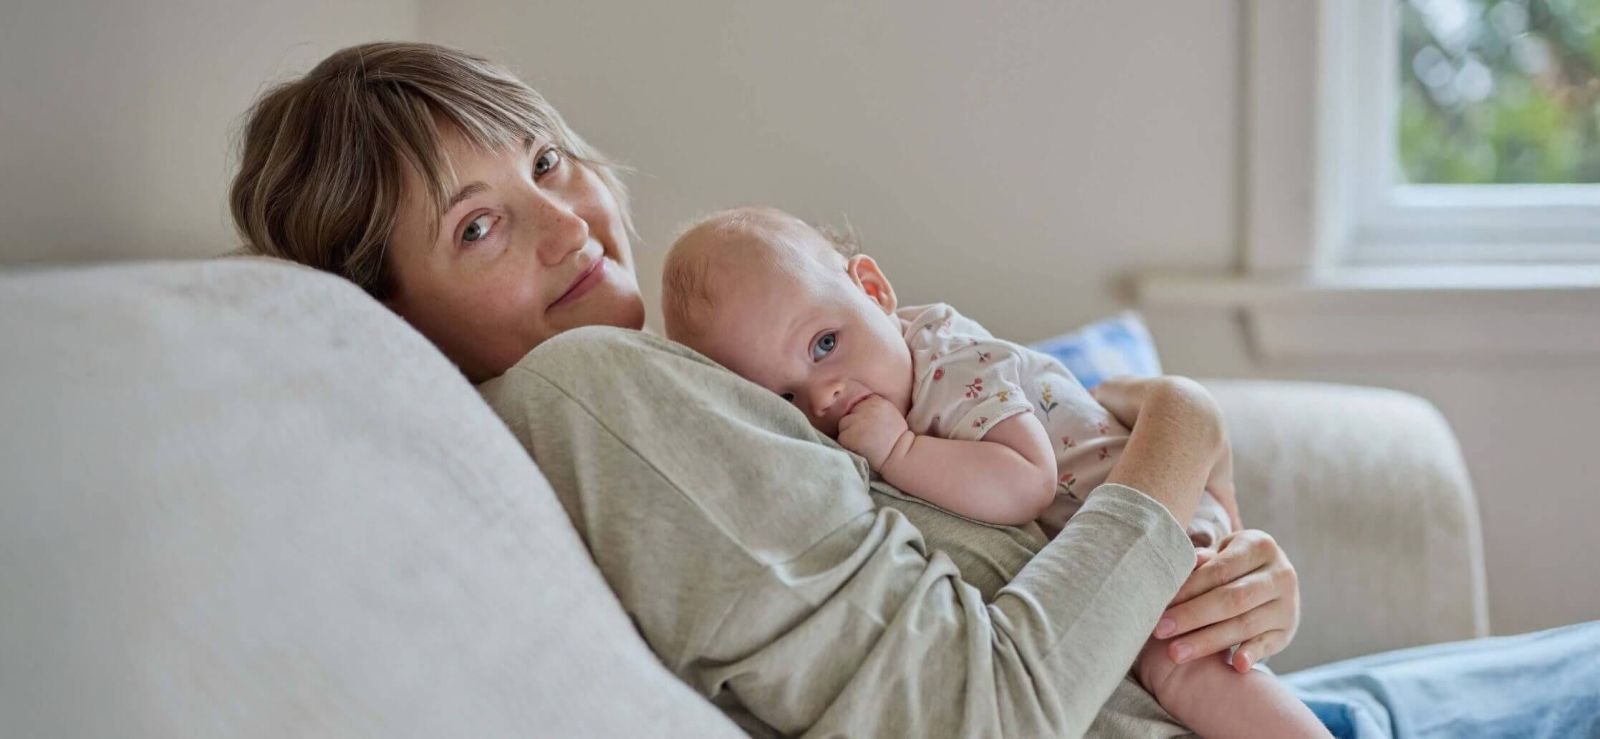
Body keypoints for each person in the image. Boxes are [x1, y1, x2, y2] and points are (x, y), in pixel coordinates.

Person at [229, 41, 1600, 738]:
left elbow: (968, 514)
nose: (563, 222)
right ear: (392, 314)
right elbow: (975, 713)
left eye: (544, 161)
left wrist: (1211, 563)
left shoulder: (677, 371)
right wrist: (1179, 427)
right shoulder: (592, 394)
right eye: (476, 226)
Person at [658, 206, 1331, 737]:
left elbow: (1026, 482)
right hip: (1123, 520)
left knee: (1176, 657)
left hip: (1154, 517)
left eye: (825, 344)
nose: (822, 397)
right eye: (782, 398)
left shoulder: (952, 364)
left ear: (875, 290)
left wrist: (899, 450)